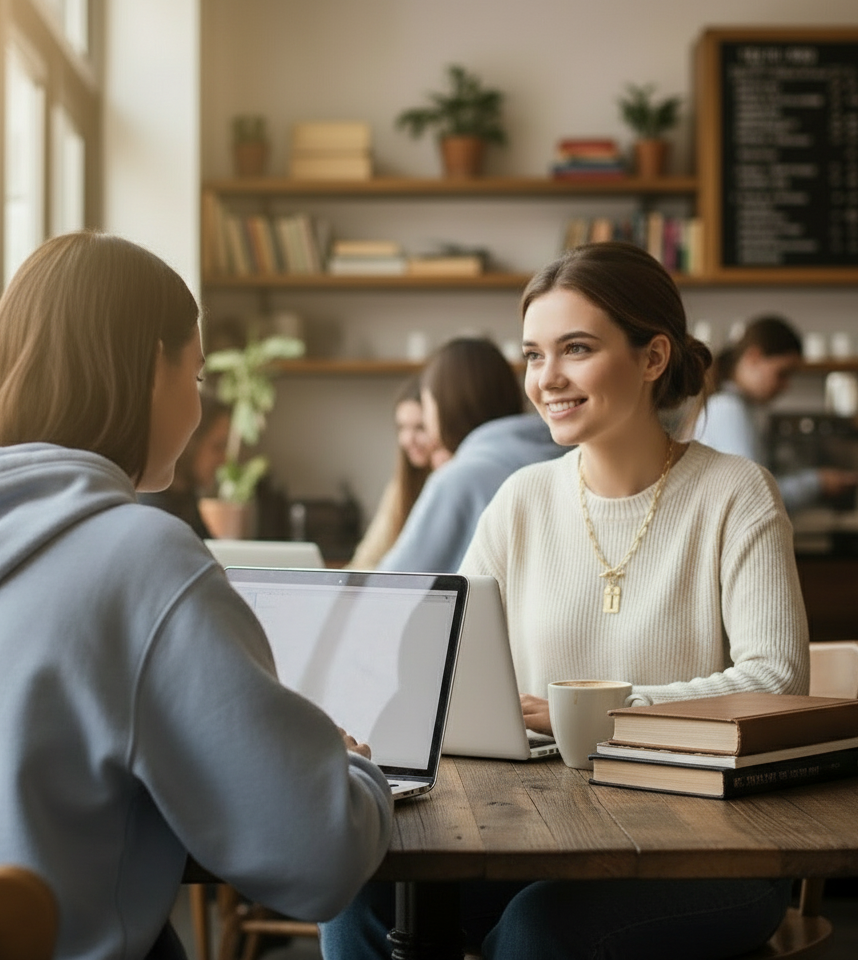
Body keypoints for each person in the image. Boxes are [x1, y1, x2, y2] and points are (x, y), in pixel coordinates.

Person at [0, 232, 392, 960]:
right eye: (196, 376)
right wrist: (350, 767)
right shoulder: (143, 558)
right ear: (148, 369)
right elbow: (317, 859)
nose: (200, 409)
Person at [322, 242, 808, 960]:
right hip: (543, 834)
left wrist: (595, 715)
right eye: (533, 355)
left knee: (542, 930)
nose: (547, 379)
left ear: (652, 358)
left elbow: (776, 683)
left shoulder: (737, 494)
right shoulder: (522, 499)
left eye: (575, 349)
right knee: (358, 903)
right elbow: (440, 662)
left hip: (714, 845)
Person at [377, 337, 567, 574]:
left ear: (444, 405)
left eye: (428, 404)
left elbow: (392, 583)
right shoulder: (569, 456)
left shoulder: (459, 479)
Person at [695, 315, 858, 511]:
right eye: (782, 373)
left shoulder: (736, 408)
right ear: (753, 357)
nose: (786, 386)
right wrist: (818, 482)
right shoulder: (728, 409)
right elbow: (754, 495)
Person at [347, 377, 433, 569]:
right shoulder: (400, 487)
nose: (408, 439)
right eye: (402, 428)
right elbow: (367, 558)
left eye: (420, 428)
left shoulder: (450, 484)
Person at [137, 389, 231, 538]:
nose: (224, 459)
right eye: (217, 446)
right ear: (189, 442)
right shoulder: (152, 512)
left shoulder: (185, 498)